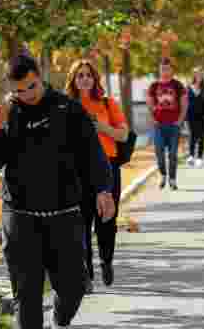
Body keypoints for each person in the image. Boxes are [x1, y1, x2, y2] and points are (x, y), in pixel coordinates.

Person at [0, 54, 115, 329]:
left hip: (63, 214)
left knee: (74, 287)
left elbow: (92, 153)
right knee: (26, 295)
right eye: (19, 90)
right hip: (20, 216)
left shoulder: (68, 108)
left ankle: (60, 318)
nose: (26, 94)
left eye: (31, 86)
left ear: (39, 77)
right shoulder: (8, 112)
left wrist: (103, 190)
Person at [66, 59, 129, 291]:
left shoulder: (106, 103)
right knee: (81, 221)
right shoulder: (66, 105)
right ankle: (86, 272)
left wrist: (101, 127)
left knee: (107, 220)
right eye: (79, 75)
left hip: (108, 167)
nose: (84, 79)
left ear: (95, 79)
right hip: (78, 170)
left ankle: (106, 259)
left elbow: (123, 135)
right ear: (73, 80)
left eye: (88, 75)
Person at [147, 57, 188, 190]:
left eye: (167, 69)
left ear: (171, 70)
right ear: (159, 70)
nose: (165, 71)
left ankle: (172, 179)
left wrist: (180, 121)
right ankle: (163, 175)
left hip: (174, 125)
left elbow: (184, 104)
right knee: (159, 152)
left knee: (173, 154)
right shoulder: (154, 86)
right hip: (158, 125)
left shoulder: (178, 85)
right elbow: (149, 103)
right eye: (163, 69)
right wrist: (153, 119)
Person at [186, 70, 204, 167]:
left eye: (200, 75)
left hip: (202, 116)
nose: (198, 76)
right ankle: (191, 156)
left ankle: (199, 157)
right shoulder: (188, 88)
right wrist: (184, 118)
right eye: (197, 75)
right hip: (190, 116)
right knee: (192, 136)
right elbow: (185, 103)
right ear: (194, 76)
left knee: (201, 137)